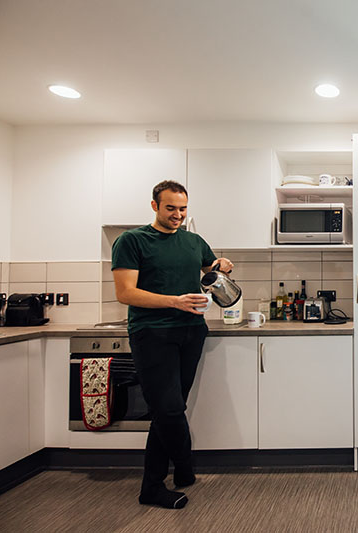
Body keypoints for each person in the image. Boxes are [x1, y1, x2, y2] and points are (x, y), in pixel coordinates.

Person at [112, 180, 233, 509]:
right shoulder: (132, 241)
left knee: (170, 409)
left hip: (191, 331)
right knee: (168, 409)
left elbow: (212, 270)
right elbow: (125, 293)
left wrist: (221, 264)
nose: (177, 214)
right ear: (154, 206)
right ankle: (170, 475)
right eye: (170, 208)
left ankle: (175, 475)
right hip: (152, 333)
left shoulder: (194, 242)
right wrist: (174, 302)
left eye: (182, 209)